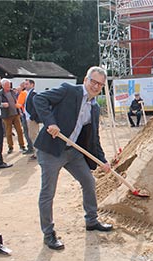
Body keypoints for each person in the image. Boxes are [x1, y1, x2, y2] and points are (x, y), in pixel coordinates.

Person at [33, 66, 113, 250]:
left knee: (89, 181)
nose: (95, 86)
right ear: (86, 79)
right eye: (93, 81)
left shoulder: (94, 107)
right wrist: (50, 123)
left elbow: (94, 137)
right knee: (48, 192)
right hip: (52, 150)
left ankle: (91, 220)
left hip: (73, 152)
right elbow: (39, 99)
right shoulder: (69, 91)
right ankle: (49, 233)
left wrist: (102, 160)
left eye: (99, 84)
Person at [0, 78, 26, 154]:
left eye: (9, 85)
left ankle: (22, 146)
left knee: (20, 131)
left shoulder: (12, 92)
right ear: (3, 85)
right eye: (7, 85)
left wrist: (19, 110)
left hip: (16, 114)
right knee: (8, 132)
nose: (9, 86)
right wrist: (2, 105)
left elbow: (17, 99)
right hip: (7, 115)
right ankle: (10, 147)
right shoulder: (0, 93)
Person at [15, 82, 34, 154]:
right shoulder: (30, 93)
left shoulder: (23, 94)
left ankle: (30, 148)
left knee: (28, 132)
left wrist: (13, 104)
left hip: (25, 115)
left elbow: (19, 105)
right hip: (29, 116)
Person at [24, 79, 40, 159]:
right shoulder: (28, 93)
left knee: (33, 135)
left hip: (31, 118)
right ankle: (36, 152)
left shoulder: (33, 93)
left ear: (32, 85)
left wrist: (32, 117)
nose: (25, 86)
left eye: (27, 84)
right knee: (31, 135)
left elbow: (35, 107)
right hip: (28, 117)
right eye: (25, 84)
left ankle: (38, 153)